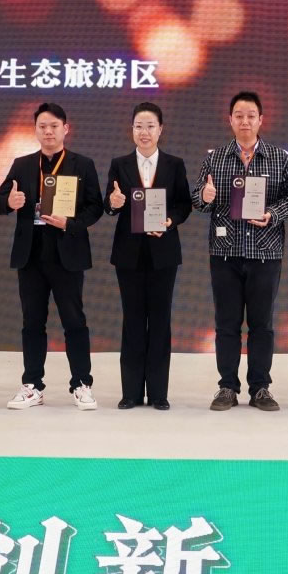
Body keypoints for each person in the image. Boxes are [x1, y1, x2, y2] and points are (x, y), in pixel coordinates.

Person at [191, 91, 288, 412]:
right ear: (230, 120)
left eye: (251, 116)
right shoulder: (215, 158)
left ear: (261, 120)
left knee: (262, 325)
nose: (245, 121)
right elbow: (197, 200)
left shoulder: (279, 158)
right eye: (239, 116)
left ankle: (260, 388)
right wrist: (205, 196)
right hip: (225, 253)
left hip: (265, 252)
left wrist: (273, 214)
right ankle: (227, 386)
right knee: (226, 324)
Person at [0, 102, 104, 410]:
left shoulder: (82, 164)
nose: (48, 132)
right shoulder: (22, 164)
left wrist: (70, 223)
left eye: (54, 126)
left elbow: (95, 207)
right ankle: (32, 385)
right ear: (35, 130)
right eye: (42, 126)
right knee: (32, 321)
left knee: (74, 320)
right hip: (31, 252)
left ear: (65, 129)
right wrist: (10, 202)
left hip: (66, 250)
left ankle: (81, 383)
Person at [104, 101, 192, 410]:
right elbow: (109, 203)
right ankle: (130, 392)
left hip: (163, 253)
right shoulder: (119, 164)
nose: (144, 132)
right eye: (139, 126)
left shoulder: (174, 164)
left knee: (160, 320)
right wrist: (113, 202)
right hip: (128, 253)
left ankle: (158, 393)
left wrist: (169, 221)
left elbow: (184, 204)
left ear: (160, 129)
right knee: (132, 320)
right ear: (131, 130)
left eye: (150, 126)